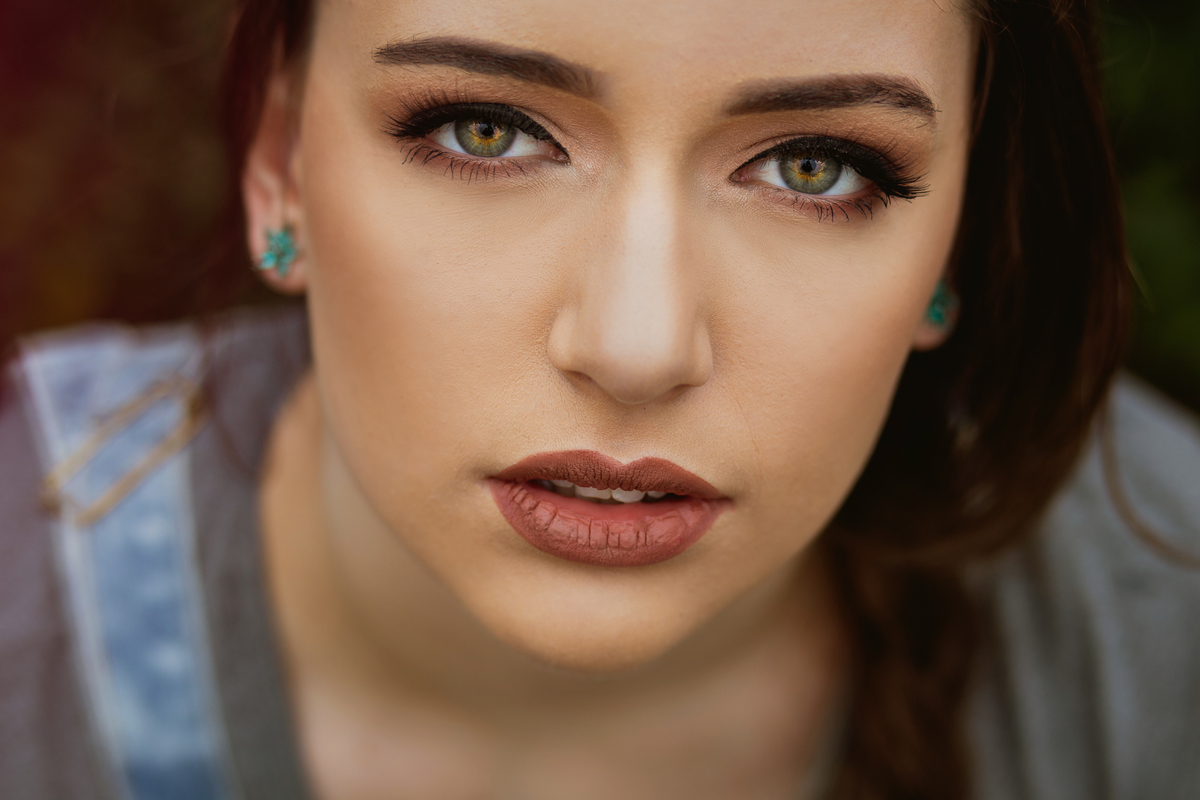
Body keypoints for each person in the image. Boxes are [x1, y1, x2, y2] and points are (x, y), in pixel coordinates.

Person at [1, 0, 1198, 798]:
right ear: (282, 167)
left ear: (958, 239)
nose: (636, 347)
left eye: (815, 165)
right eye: (487, 131)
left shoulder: (1162, 625)